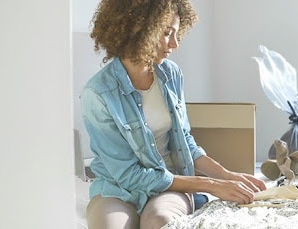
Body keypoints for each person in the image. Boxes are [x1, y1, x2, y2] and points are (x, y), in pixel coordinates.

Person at [80, 0, 267, 228]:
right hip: (117, 188)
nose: (175, 44)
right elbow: (128, 175)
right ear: (138, 30)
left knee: (158, 220)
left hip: (170, 183)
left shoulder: (171, 74)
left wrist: (227, 176)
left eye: (177, 33)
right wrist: (210, 185)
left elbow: (185, 142)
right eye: (167, 33)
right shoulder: (98, 93)